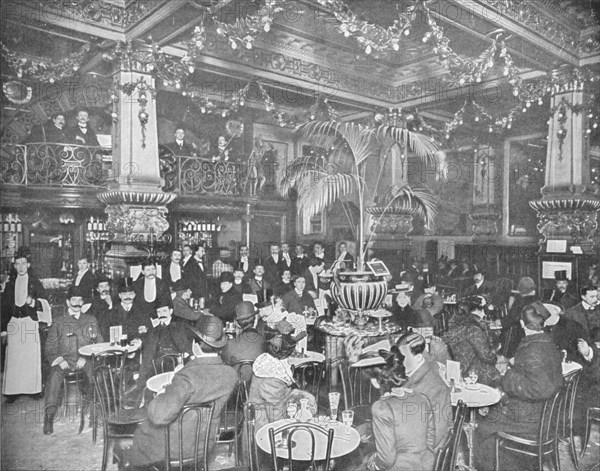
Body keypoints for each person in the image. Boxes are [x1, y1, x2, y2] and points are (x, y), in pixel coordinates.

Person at [127, 316, 237, 468]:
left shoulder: (186, 376)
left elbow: (158, 417)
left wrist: (161, 395)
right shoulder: (231, 374)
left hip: (172, 446)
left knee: (139, 437)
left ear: (195, 345)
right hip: (203, 445)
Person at [474, 305, 563, 471]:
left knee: (482, 427)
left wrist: (508, 374)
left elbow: (538, 389)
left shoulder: (532, 350)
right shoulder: (549, 343)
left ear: (522, 323)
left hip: (532, 418)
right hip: (546, 414)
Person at [360, 349, 435, 471]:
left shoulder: (381, 408)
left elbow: (386, 460)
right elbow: (430, 439)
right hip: (427, 465)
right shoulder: (422, 398)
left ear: (375, 382)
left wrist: (371, 462)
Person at [43, 285, 103, 434]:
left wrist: (87, 357)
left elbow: (100, 342)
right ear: (68, 302)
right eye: (74, 300)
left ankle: (94, 416)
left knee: (97, 375)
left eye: (80, 300)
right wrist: (58, 359)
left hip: (86, 359)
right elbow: (50, 346)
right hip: (64, 360)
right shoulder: (58, 321)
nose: (77, 303)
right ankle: (49, 416)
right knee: (54, 378)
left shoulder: (90, 319)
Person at [124, 300, 193, 404]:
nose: (162, 314)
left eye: (164, 311)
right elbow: (149, 348)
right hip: (156, 365)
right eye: (159, 312)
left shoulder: (180, 326)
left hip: (176, 364)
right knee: (147, 363)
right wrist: (140, 341)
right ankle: (140, 392)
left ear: (171, 311)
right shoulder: (154, 330)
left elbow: (186, 347)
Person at [2, 249, 47, 401]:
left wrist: (33, 302)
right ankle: (12, 392)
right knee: (14, 358)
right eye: (17, 264)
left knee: (31, 357)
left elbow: (46, 303)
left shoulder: (35, 283)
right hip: (14, 322)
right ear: (14, 266)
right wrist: (3, 329)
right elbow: (3, 308)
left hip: (29, 321)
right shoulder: (10, 284)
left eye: (23, 263)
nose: (21, 267)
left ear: (28, 265)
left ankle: (33, 390)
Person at [396, 332, 451, 450]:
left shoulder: (435, 388)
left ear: (419, 357)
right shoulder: (415, 374)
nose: (398, 362)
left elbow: (436, 435)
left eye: (402, 358)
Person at [247, 332, 305, 431]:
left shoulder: (266, 362)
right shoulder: (273, 381)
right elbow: (276, 418)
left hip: (262, 419)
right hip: (264, 429)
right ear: (287, 353)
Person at [444, 295, 500, 386]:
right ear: (480, 310)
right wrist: (495, 357)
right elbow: (485, 355)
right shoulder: (473, 329)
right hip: (473, 373)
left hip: (457, 368)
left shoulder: (455, 325)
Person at [220, 301, 267, 381]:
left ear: (237, 324)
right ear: (255, 320)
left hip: (236, 387)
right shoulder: (264, 341)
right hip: (258, 385)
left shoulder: (229, 344)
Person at [501, 276, 538, 358]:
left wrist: (501, 321)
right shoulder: (537, 299)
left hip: (518, 334)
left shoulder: (520, 300)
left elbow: (513, 318)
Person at [88, 275, 115, 340]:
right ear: (97, 289)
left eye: (106, 286)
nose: (104, 288)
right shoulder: (94, 302)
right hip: (99, 334)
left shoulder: (116, 300)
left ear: (109, 287)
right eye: (101, 286)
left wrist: (110, 304)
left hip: (113, 333)